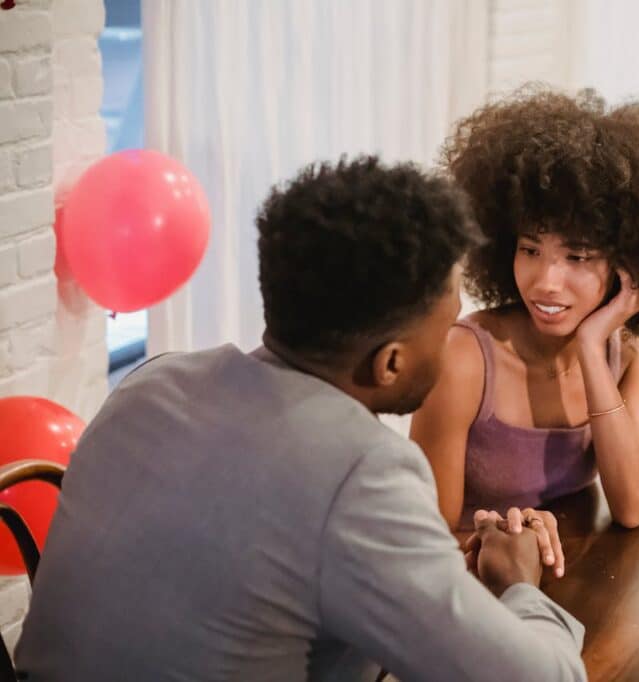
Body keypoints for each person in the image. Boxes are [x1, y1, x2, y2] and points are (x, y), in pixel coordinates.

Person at [15, 157, 586, 681]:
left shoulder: (152, 382)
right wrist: (519, 584)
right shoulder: (363, 472)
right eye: (447, 329)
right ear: (390, 363)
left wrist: (423, 575)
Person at [411, 88, 639, 540]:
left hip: (561, 576)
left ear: (627, 267)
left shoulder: (624, 354)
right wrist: (507, 544)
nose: (546, 280)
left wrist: (593, 350)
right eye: (530, 249)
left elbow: (632, 506)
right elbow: (427, 545)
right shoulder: (463, 360)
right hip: (473, 585)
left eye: (578, 257)